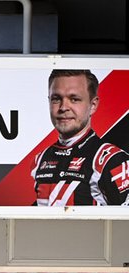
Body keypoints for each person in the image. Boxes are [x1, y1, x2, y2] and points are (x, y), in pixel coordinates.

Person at [33, 69, 129, 206]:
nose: (63, 107)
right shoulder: (40, 159)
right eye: (56, 99)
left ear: (93, 105)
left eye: (74, 99)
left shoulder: (111, 160)